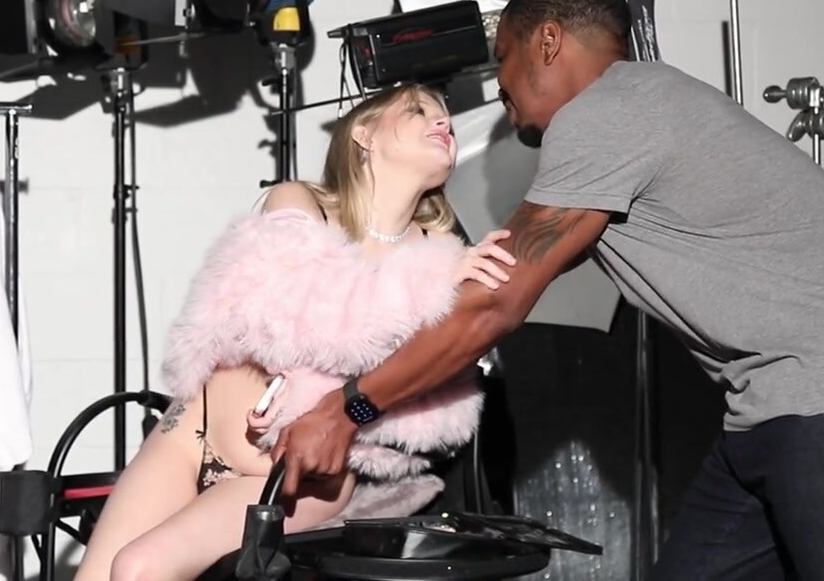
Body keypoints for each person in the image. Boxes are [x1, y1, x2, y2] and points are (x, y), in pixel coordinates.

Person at [270, 0, 824, 580]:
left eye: (503, 61)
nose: (501, 93)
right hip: (769, 409)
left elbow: (495, 303)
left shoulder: (606, 113)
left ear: (548, 41)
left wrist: (343, 410)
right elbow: (490, 285)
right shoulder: (644, 104)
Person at [74, 83, 518, 581]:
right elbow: (297, 311)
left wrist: (449, 291)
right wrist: (429, 288)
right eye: (418, 111)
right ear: (364, 134)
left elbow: (431, 391)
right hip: (190, 434)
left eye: (448, 122)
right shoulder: (302, 202)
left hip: (302, 478)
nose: (443, 124)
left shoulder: (442, 255)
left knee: (138, 568)